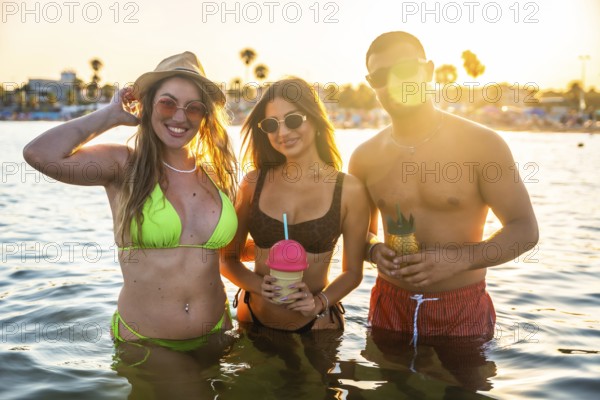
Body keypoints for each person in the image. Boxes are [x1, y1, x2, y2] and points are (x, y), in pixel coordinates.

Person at [23, 51, 238, 353]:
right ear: (147, 104)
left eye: (193, 107)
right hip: (148, 344)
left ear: (204, 116)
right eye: (168, 102)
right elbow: (40, 154)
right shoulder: (124, 165)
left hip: (218, 332)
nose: (179, 116)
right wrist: (110, 116)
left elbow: (225, 253)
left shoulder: (216, 174)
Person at [349, 32, 539, 341]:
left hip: (461, 308)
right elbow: (359, 233)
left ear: (428, 71)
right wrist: (373, 250)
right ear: (372, 84)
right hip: (388, 306)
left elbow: (525, 229)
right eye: (382, 75)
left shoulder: (481, 145)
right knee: (384, 388)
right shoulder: (365, 157)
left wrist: (457, 260)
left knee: (464, 389)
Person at [221, 77, 370, 332]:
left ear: (314, 119)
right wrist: (259, 287)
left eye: (293, 120)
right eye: (272, 125)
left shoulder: (348, 190)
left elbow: (353, 273)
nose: (283, 133)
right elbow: (227, 259)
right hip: (253, 320)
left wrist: (318, 302)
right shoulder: (253, 183)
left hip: (316, 326)